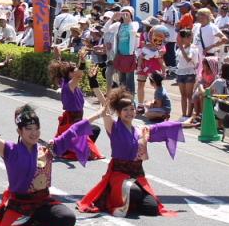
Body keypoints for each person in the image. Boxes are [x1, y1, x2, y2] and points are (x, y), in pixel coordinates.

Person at [0, 102, 100, 226]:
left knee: (67, 218)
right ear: (19, 131)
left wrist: (99, 113)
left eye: (36, 128)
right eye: (29, 129)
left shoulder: (47, 149)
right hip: (20, 205)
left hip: (43, 202)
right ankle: (26, 224)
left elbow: (74, 130)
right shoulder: (10, 150)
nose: (34, 133)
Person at [77, 88, 184, 217]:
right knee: (134, 192)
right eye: (125, 110)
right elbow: (105, 107)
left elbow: (164, 127)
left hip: (137, 175)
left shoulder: (141, 130)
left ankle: (130, 201)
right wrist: (94, 85)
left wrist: (186, 124)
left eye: (132, 109)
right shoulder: (113, 127)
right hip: (119, 174)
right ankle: (117, 196)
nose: (129, 112)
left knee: (152, 209)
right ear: (119, 112)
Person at [49, 58, 103, 160]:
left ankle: (75, 148)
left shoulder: (69, 83)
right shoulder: (68, 85)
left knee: (94, 130)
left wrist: (90, 77)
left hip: (76, 119)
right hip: (71, 121)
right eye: (74, 71)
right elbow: (78, 75)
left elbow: (76, 73)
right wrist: (82, 62)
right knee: (93, 130)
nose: (77, 72)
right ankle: (73, 150)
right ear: (69, 74)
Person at [105, 7, 139, 94]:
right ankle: (122, 98)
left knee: (129, 80)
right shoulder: (118, 25)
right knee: (121, 79)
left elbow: (134, 31)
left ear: (131, 15)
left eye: (127, 13)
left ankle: (131, 100)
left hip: (129, 55)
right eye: (123, 13)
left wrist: (128, 22)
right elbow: (105, 29)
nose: (124, 15)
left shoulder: (134, 24)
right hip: (119, 55)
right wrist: (113, 18)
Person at [135, 27, 166, 103]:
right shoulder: (143, 34)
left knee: (157, 86)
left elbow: (163, 50)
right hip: (144, 64)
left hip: (155, 64)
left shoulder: (160, 36)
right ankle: (140, 105)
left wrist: (156, 52)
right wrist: (145, 52)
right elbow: (140, 47)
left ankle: (159, 104)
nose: (147, 27)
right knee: (140, 84)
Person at [175, 29, 200, 122]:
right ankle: (184, 114)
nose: (181, 39)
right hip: (180, 72)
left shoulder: (193, 48)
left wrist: (181, 47)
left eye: (183, 37)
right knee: (183, 95)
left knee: (189, 95)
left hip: (189, 73)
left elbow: (188, 59)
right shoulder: (179, 48)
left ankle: (189, 115)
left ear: (189, 38)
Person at [159, 0, 180, 71]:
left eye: (165, 1)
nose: (163, 3)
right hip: (165, 34)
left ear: (169, 2)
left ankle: (173, 68)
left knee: (170, 52)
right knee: (165, 52)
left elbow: (175, 23)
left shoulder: (173, 11)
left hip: (171, 35)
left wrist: (164, 20)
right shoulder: (166, 9)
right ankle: (168, 67)